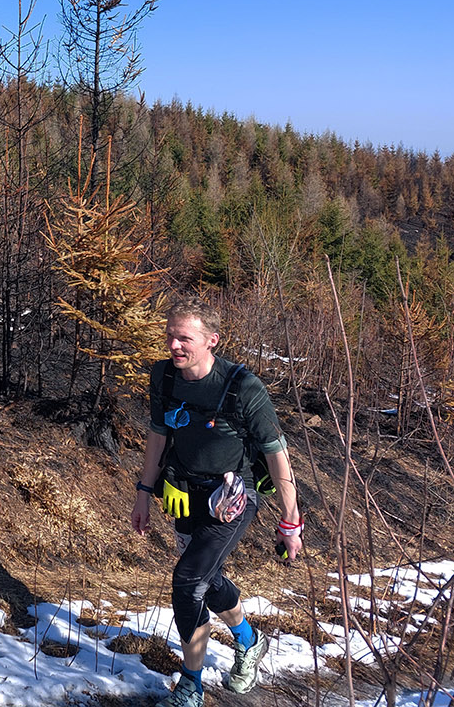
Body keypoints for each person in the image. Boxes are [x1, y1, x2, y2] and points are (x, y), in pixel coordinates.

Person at [131, 298, 304, 707]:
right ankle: (250, 640)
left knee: (188, 583)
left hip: (231, 497)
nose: (173, 345)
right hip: (182, 493)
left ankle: (190, 686)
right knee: (206, 583)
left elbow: (277, 454)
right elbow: (158, 435)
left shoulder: (244, 387)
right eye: (170, 336)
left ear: (212, 340)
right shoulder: (164, 376)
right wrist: (143, 492)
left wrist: (290, 521)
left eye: (183, 338)